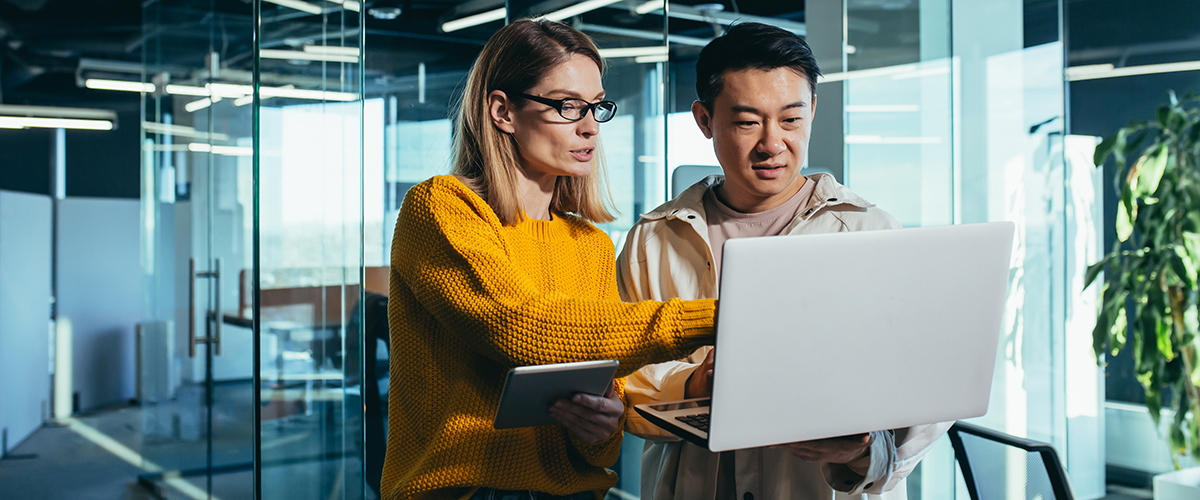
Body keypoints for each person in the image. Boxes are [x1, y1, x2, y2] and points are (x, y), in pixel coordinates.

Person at [380, 19, 721, 500]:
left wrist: (602, 426)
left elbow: (604, 434)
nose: (588, 126)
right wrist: (718, 317)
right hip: (466, 491)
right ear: (502, 111)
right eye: (567, 106)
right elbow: (519, 324)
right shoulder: (442, 208)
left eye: (596, 107)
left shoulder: (591, 244)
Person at [619, 22, 951, 500]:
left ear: (813, 109)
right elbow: (623, 386)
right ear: (704, 120)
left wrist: (860, 450)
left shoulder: (869, 232)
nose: (772, 143)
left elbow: (926, 393)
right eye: (747, 121)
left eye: (791, 120)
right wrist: (695, 384)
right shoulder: (653, 241)